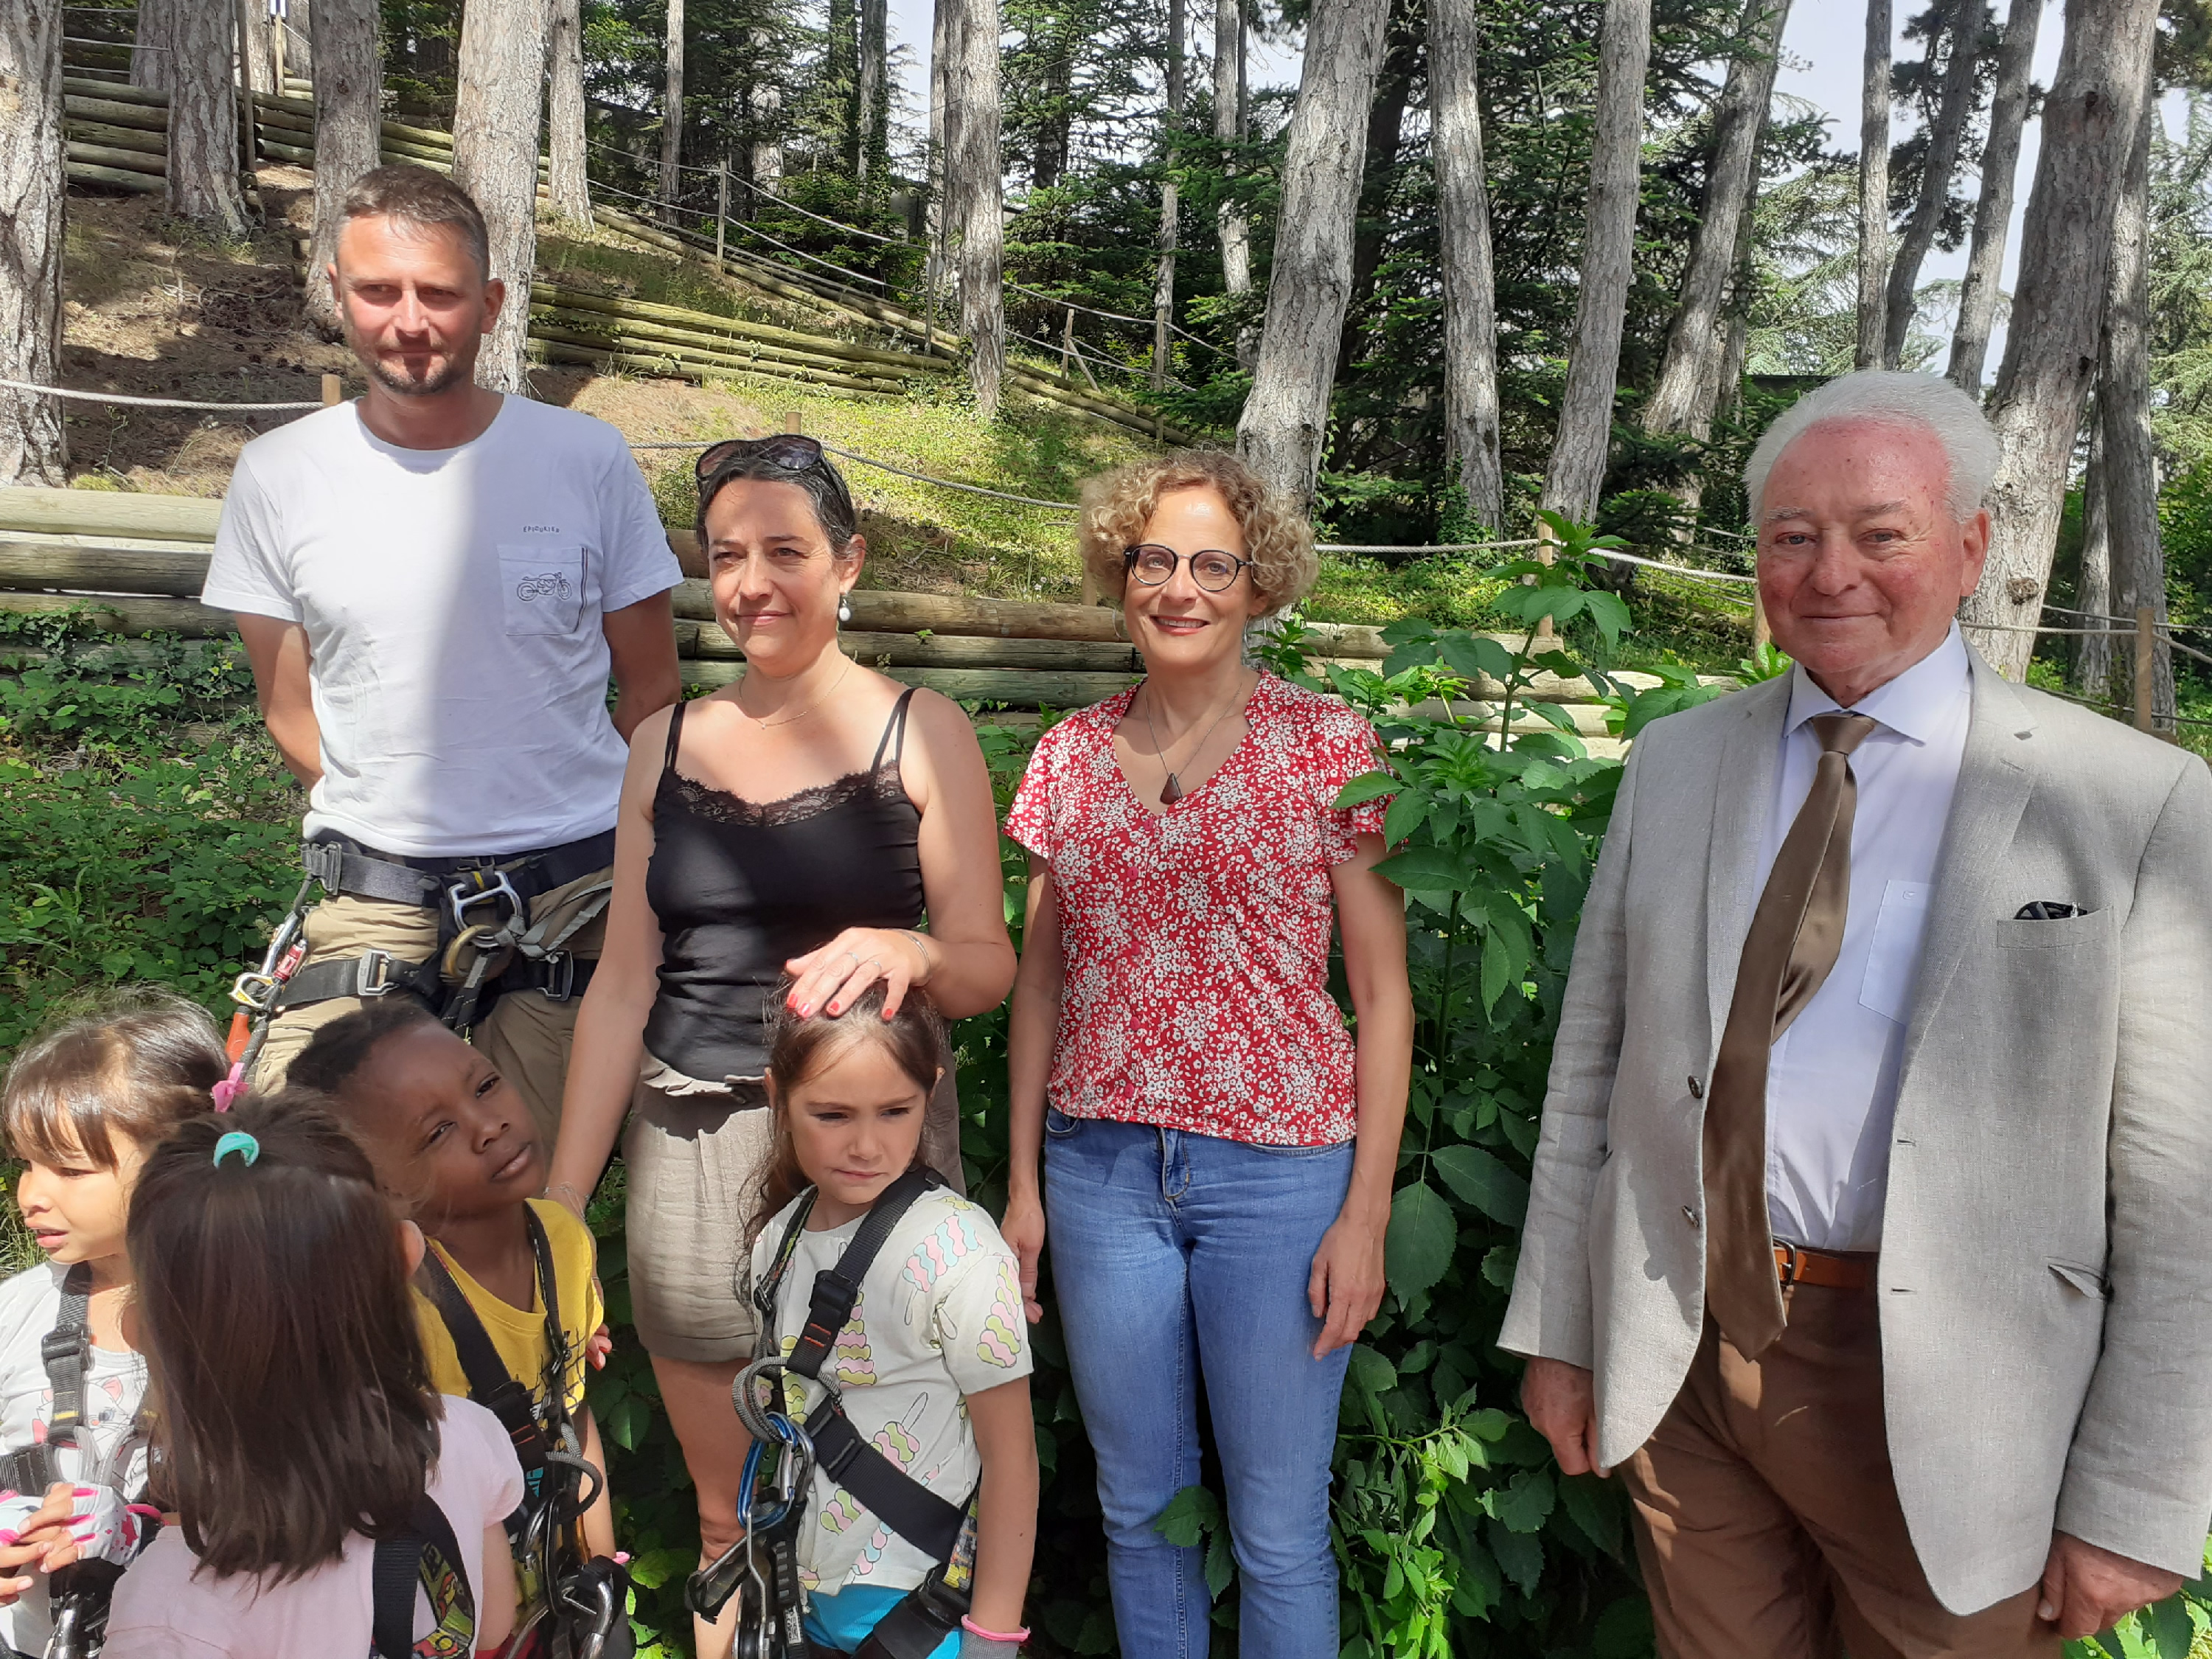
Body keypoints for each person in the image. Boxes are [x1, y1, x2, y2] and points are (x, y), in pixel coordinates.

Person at [1503, 370, 2212, 1658]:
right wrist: (1560, 1330)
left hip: (1962, 1399)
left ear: (1971, 548)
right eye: (1792, 536)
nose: (1832, 572)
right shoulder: (1678, 762)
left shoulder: (2136, 800)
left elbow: (2185, 1182)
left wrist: (2138, 1498)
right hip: (1687, 1347)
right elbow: (1595, 1066)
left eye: (1880, 533)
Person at [546, 434, 1015, 1658]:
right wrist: (558, 1208)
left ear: (848, 563)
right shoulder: (663, 742)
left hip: (869, 1149)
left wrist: (911, 954)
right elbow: (621, 985)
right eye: (727, 557)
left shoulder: (924, 731)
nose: (753, 582)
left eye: (787, 552)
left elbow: (985, 962)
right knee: (727, 1520)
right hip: (690, 1142)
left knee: (888, 1513)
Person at [998, 450, 1413, 1657]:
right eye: (1155, 559)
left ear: (1258, 582)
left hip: (1283, 1179)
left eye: (1212, 563)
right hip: (1100, 1172)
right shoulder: (1067, 758)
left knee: (1280, 1527)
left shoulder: (1328, 742)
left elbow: (1383, 1000)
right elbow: (1039, 984)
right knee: (1140, 1514)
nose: (1180, 587)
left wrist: (1368, 1213)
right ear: (1120, 574)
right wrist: (1025, 1186)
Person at [203, 163, 684, 1141]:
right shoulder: (280, 475)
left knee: (523, 1181)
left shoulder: (584, 460)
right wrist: (393, 808)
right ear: (337, 290)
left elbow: (653, 689)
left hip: (576, 886)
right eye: (379, 290)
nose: (409, 319)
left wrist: (622, 854)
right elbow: (286, 704)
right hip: (373, 888)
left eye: (440, 292)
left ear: (490, 304)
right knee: (299, 1170)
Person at [102, 1095, 526, 1658]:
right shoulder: (467, 1436)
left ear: (138, 1328)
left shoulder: (167, 1614)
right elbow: (494, 1624)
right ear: (406, 1254)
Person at [731, 985, 1036, 1658]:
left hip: (921, 1605)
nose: (866, 1145)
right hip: (804, 1592)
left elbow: (1012, 1460)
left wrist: (993, 1635)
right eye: (832, 1114)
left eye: (895, 1111)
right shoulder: (779, 1240)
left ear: (930, 1092)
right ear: (776, 1097)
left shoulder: (959, 1249)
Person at [289, 999, 618, 1590]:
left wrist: (600, 1568)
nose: (488, 1124)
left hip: (556, 1593)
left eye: (486, 1085)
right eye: (438, 1130)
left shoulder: (564, 1237)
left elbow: (571, 1410)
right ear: (379, 1187)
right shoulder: (393, 1316)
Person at [0, 992, 229, 1658]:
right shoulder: (17, 1312)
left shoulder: (242, 1321)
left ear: (178, 1163)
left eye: (70, 1170)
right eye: (26, 1162)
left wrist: (140, 1531)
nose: (31, 1195)